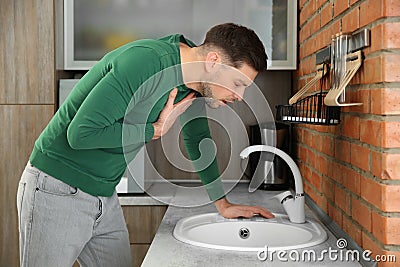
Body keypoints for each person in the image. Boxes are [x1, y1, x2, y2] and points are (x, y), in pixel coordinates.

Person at [17, 23, 274, 266]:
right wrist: (154, 130)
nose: (240, 96)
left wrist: (223, 204)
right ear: (213, 62)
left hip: (103, 193)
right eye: (238, 83)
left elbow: (196, 140)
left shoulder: (194, 84)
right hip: (55, 187)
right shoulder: (146, 63)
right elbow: (81, 134)